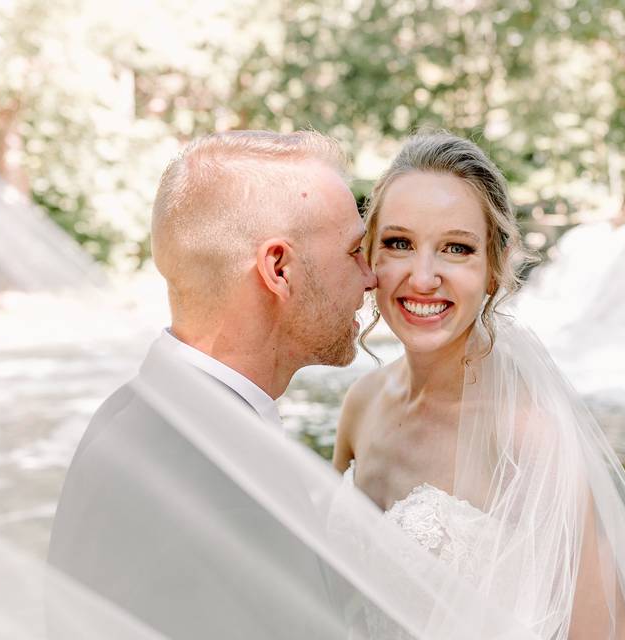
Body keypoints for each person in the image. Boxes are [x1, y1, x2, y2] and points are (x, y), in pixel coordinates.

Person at [333, 132, 625, 639]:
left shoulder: (529, 435)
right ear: (370, 257)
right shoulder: (360, 405)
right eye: (399, 243)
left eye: (456, 248)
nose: (423, 278)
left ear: (494, 266)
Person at [47, 130, 378, 638]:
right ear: (279, 268)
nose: (371, 276)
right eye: (354, 251)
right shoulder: (210, 488)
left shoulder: (143, 411)